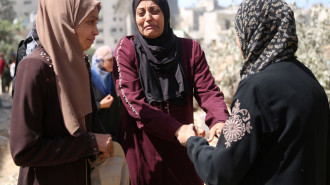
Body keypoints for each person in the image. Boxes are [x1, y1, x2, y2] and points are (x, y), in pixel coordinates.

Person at [176, 0, 330, 184]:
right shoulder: (310, 82)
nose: (237, 40)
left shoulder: (256, 88)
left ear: (252, 33)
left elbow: (220, 171)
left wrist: (193, 142)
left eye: (238, 32)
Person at [112, 0, 229, 184]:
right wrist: (176, 129)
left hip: (183, 151)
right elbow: (134, 103)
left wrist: (220, 119)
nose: (147, 18)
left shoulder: (190, 49)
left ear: (165, 13)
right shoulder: (126, 50)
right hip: (144, 154)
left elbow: (208, 91)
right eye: (141, 13)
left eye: (154, 10)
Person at [10, 0, 114, 185]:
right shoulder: (34, 68)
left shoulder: (79, 63)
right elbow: (23, 150)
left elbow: (89, 123)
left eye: (96, 22)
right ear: (65, 20)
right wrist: (90, 144)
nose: (96, 31)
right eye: (90, 21)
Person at [91, 45, 121, 140]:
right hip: (97, 133)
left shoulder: (114, 77)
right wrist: (100, 105)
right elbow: (81, 106)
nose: (113, 63)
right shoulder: (88, 78)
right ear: (100, 61)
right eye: (110, 60)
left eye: (114, 60)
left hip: (115, 131)